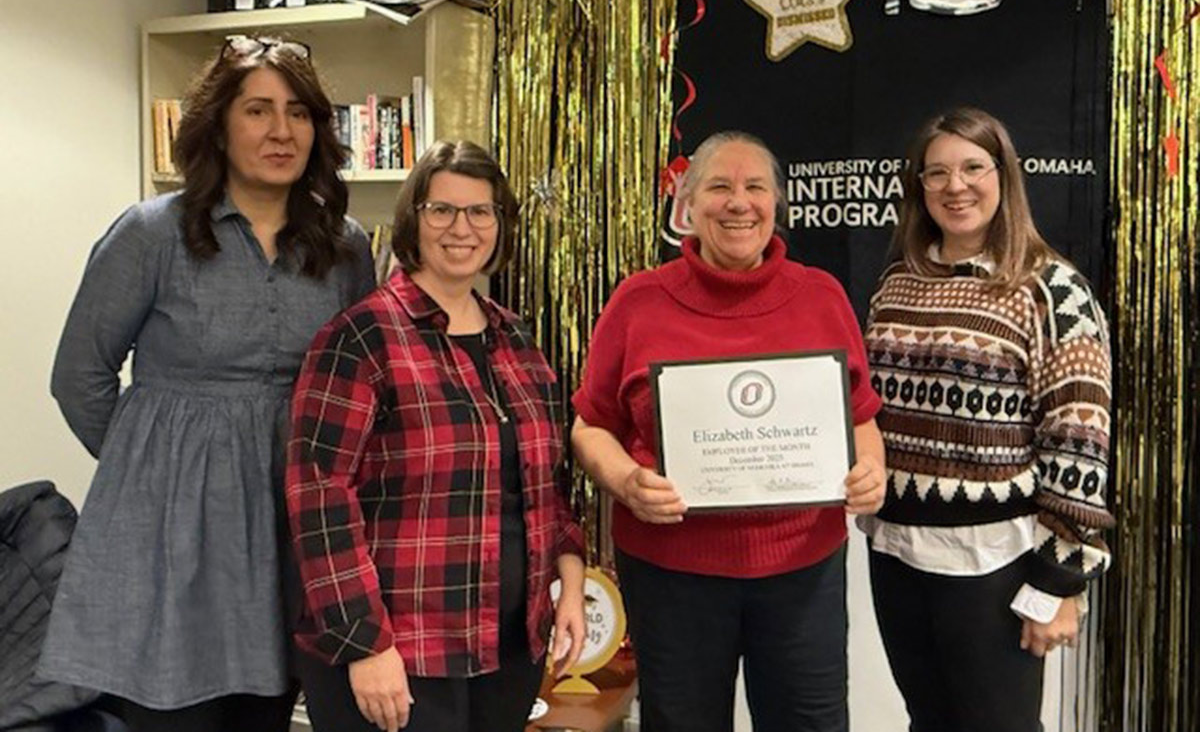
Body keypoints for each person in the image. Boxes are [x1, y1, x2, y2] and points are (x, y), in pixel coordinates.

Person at [39, 36, 376, 732]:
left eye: (299, 113)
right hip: (170, 530)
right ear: (218, 127)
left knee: (267, 708)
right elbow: (79, 377)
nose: (281, 131)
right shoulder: (150, 234)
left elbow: (356, 385)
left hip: (288, 521)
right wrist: (148, 470)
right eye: (258, 110)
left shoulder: (346, 246)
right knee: (171, 710)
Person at [570, 130, 886, 732]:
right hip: (672, 573)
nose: (739, 202)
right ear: (688, 204)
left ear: (776, 203)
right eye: (719, 186)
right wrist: (627, 481)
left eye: (755, 187)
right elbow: (590, 426)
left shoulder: (821, 296)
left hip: (802, 571)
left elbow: (861, 416)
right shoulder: (638, 302)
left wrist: (872, 469)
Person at [286, 140, 587, 732]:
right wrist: (365, 644)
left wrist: (571, 587)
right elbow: (318, 498)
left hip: (508, 648)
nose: (462, 228)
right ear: (413, 219)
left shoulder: (516, 341)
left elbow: (545, 485)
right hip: (400, 655)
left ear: (500, 223)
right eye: (441, 210)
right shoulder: (362, 337)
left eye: (480, 211)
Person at [860, 106, 1115, 732]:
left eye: (974, 167)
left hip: (994, 564)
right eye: (937, 172)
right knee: (927, 721)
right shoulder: (897, 284)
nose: (956, 186)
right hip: (896, 553)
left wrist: (1061, 579)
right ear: (919, 185)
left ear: (1004, 176)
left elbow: (1078, 439)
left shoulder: (1052, 289)